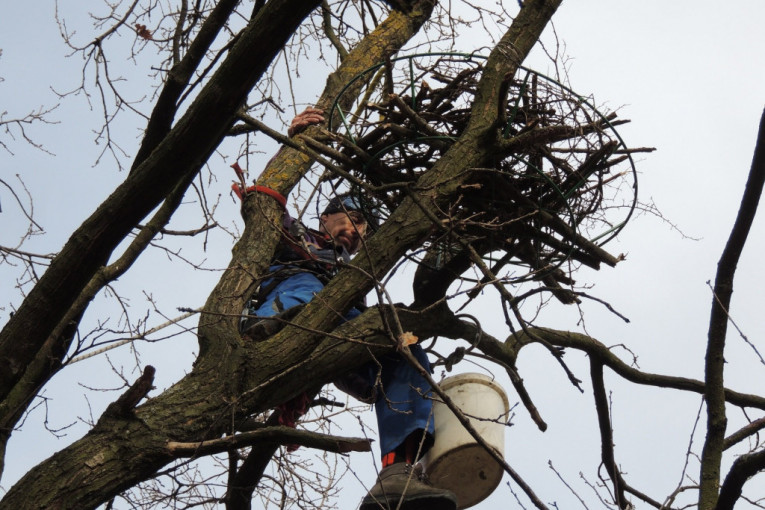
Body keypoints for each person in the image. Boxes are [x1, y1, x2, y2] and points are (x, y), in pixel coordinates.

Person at [237, 109, 457, 510]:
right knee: (309, 286)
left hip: (335, 331)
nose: (355, 233)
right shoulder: (298, 235)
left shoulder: (352, 274)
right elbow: (264, 200)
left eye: (362, 230)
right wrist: (295, 143)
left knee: (402, 347)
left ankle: (397, 472)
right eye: (351, 220)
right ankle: (273, 329)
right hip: (287, 304)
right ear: (326, 217)